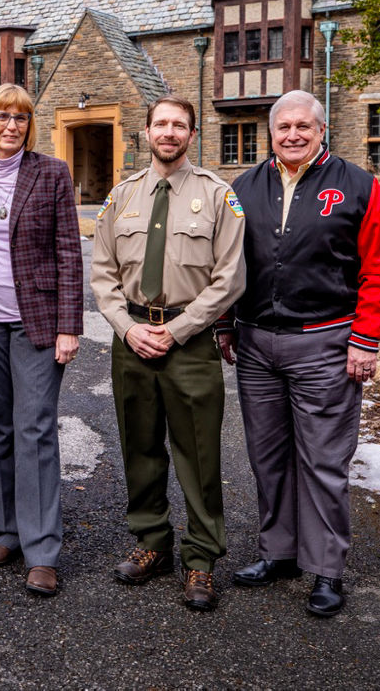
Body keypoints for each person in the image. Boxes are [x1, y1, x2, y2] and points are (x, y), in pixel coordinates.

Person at [222, 89, 380, 617]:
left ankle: (326, 569)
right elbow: (229, 265)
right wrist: (225, 326)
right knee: (268, 457)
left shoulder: (356, 185)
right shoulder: (244, 188)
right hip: (257, 345)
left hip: (326, 343)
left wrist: (366, 339)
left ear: (322, 130)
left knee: (324, 461)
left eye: (304, 126)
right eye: (284, 128)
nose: (293, 135)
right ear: (271, 133)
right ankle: (278, 553)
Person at [90, 95, 245, 612]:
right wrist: (126, 328)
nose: (170, 132)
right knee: (139, 447)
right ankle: (151, 541)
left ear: (192, 134)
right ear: (147, 131)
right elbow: (104, 275)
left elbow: (229, 280)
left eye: (180, 125)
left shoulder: (219, 196)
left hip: (191, 342)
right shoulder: (121, 197)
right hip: (131, 340)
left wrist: (177, 331)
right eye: (161, 124)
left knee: (198, 453)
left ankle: (201, 558)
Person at [0, 83, 83, 597]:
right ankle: (8, 532)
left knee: (35, 428)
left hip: (39, 323)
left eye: (20, 118)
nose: (11, 126)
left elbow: (69, 250)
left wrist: (69, 325)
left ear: (30, 124)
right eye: (1, 117)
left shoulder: (51, 172)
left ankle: (43, 549)